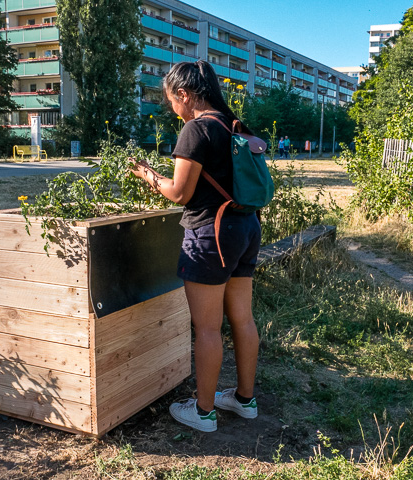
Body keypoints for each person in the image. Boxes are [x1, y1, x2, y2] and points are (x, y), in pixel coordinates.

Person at [129, 60, 261, 433]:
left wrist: (148, 175)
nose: (172, 107)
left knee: (207, 328)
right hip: (246, 228)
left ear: (184, 95)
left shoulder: (196, 129)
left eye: (172, 99)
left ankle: (203, 413)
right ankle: (244, 400)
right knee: (243, 318)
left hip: (211, 234)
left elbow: (179, 192)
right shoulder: (234, 125)